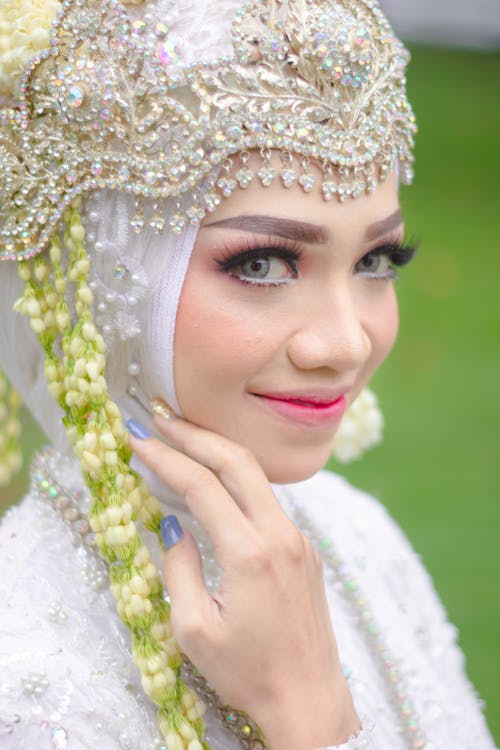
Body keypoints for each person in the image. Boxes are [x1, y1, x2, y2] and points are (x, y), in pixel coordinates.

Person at [0, 0, 496, 748]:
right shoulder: (30, 679)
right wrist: (309, 722)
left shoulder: (351, 532)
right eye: (262, 264)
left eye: (376, 261)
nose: (344, 343)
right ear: (103, 277)